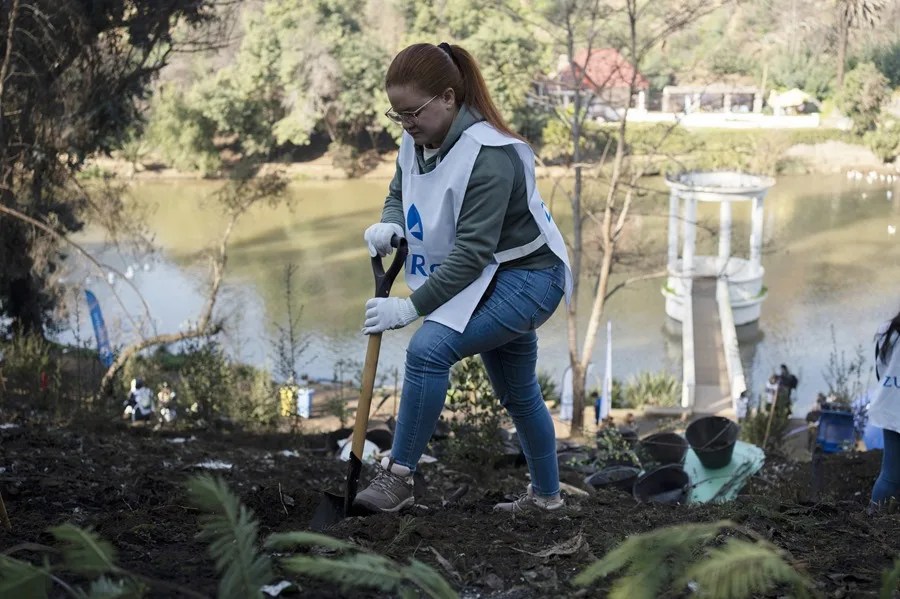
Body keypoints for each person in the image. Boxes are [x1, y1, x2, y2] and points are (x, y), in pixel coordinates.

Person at [356, 42, 573, 514]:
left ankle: (398, 478)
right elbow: (400, 193)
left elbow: (472, 254)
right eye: (398, 116)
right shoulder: (417, 141)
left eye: (413, 112)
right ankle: (547, 499)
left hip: (529, 277)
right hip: (486, 277)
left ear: (449, 99)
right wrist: (391, 221)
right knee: (518, 393)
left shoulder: (490, 156)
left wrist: (411, 308)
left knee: (428, 349)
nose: (407, 124)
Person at [866, 309, 900, 510]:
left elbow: (881, 371)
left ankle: (872, 519)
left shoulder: (887, 331)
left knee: (889, 476)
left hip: (892, 409)